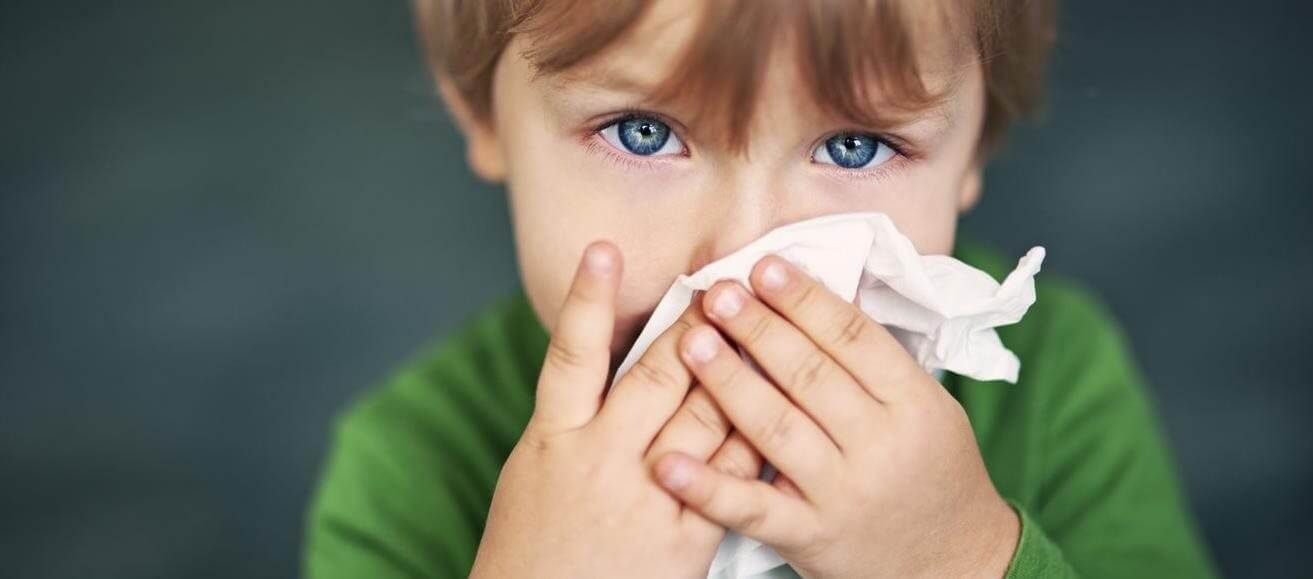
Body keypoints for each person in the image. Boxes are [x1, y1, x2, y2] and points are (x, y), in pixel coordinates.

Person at [303, 0, 1218, 576]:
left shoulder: (1052, 379)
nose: (740, 266)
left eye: (853, 146)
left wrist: (961, 558)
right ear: (479, 110)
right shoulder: (410, 463)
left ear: (973, 147)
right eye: (642, 132)